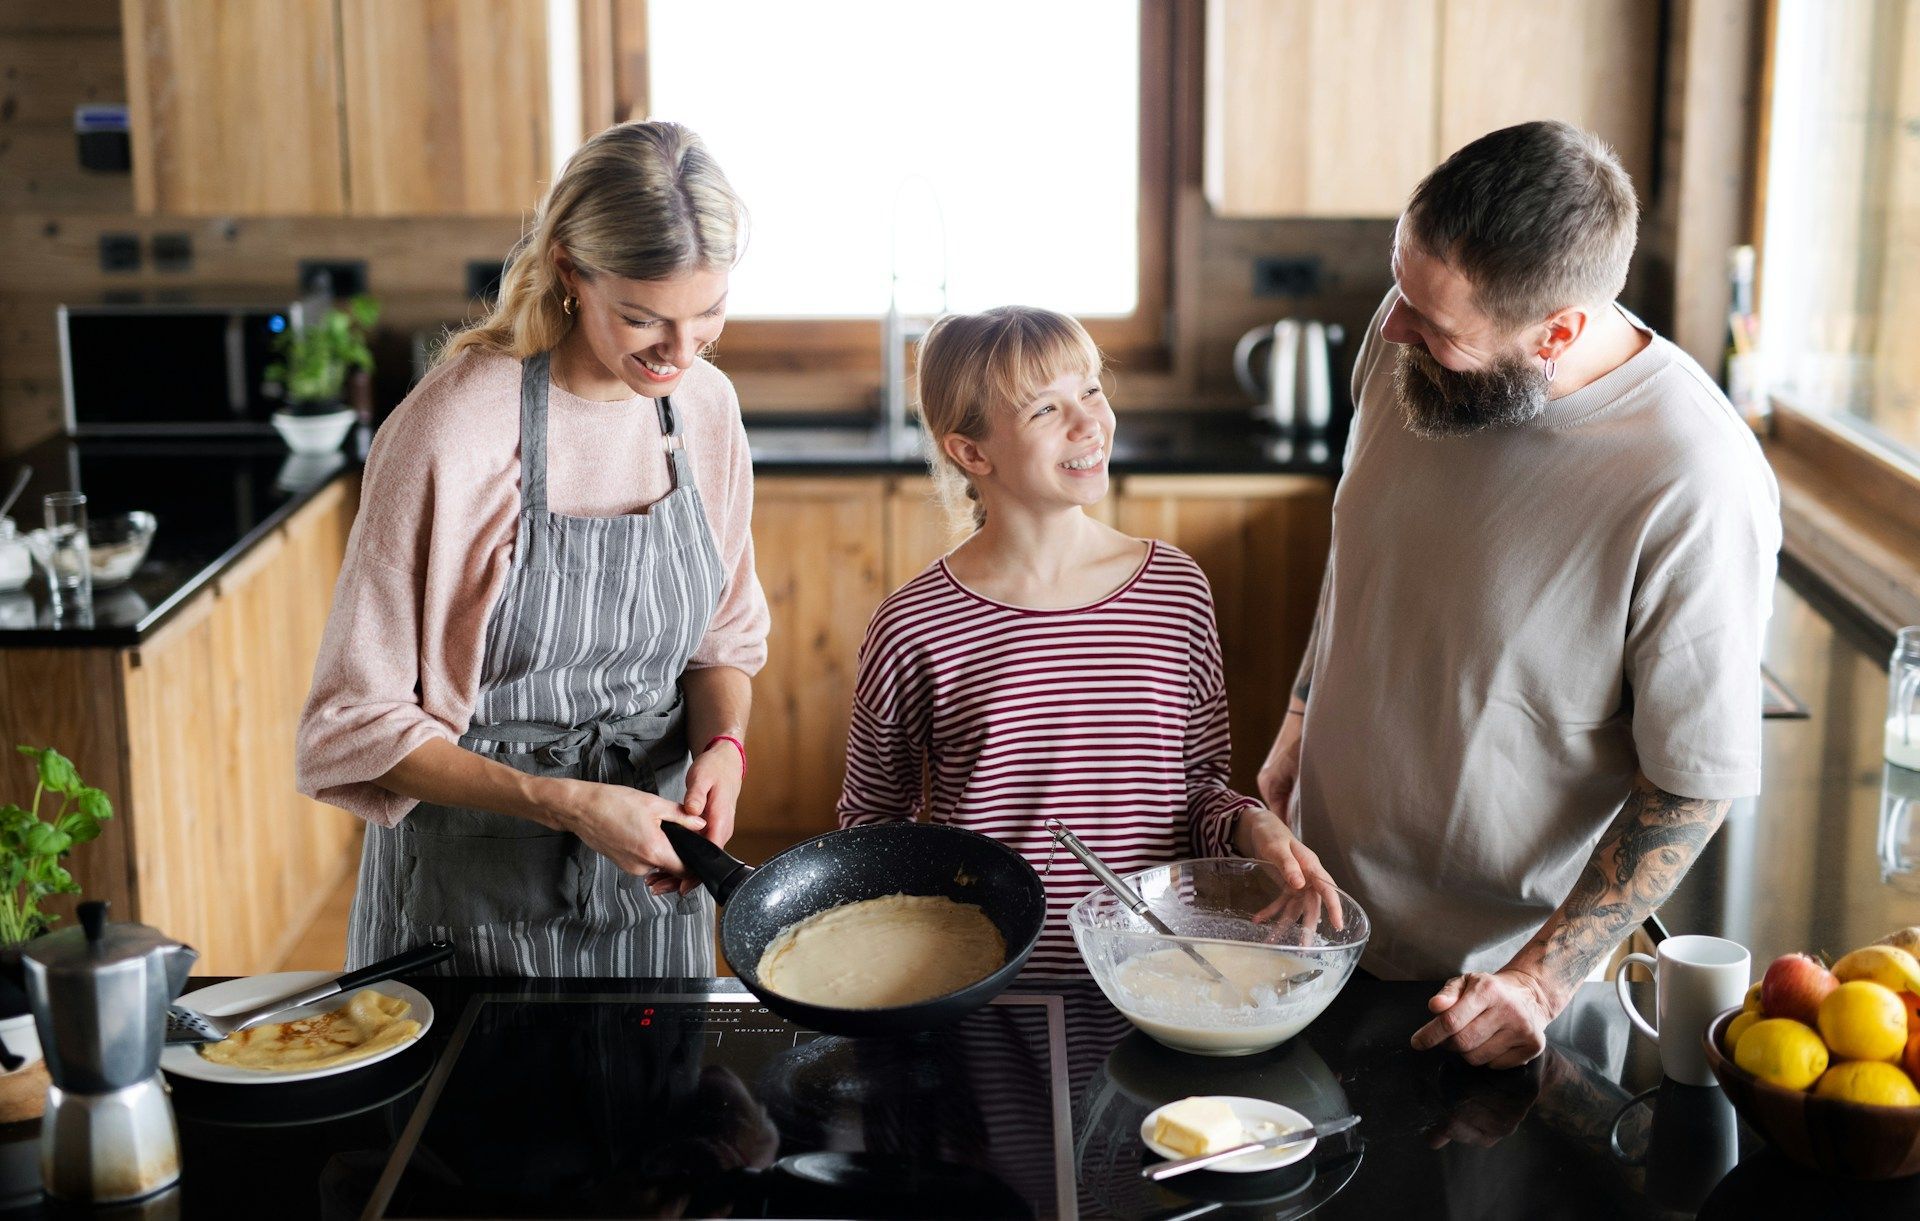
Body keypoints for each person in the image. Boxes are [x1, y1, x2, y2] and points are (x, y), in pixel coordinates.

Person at [1257, 121, 1781, 1067]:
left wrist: (1538, 980)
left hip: (1486, 994)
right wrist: (1300, 717)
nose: (1392, 328)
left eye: (1437, 325)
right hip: (1318, 920)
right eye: (1401, 288)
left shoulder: (1693, 479)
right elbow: (1363, 552)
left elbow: (1691, 781)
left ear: (1560, 333)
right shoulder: (1407, 336)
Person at [296, 120, 769, 976]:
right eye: (643, 319)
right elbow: (354, 721)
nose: (680, 353)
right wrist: (566, 802)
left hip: (650, 890)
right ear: (568, 272)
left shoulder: (705, 407)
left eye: (710, 315)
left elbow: (721, 640)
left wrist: (723, 748)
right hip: (470, 905)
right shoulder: (454, 428)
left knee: (650, 1107)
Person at [837, 306, 1340, 972]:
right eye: (1045, 409)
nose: (1088, 422)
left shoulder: (1174, 590)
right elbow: (873, 828)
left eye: (1092, 390)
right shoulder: (914, 625)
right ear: (970, 451)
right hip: (988, 979)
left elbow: (1197, 790)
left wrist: (1257, 824)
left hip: (1154, 974)